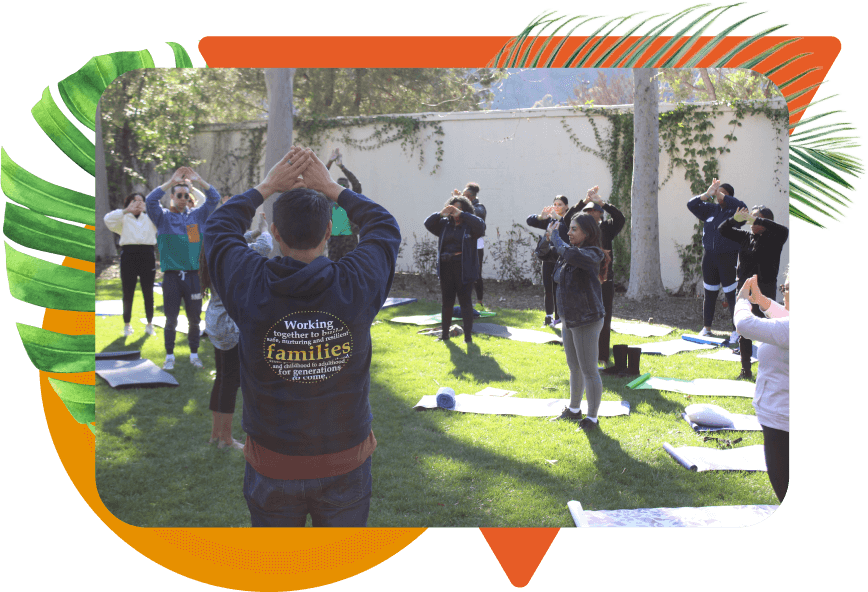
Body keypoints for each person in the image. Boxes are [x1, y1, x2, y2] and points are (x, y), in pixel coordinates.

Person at [202, 146, 400, 527]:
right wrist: (332, 188)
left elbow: (218, 227)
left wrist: (266, 186)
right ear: (328, 232)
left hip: (274, 463)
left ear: (274, 233)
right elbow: (384, 225)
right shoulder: (356, 283)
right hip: (345, 459)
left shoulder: (250, 284)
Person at [200, 213, 273, 451]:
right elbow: (265, 245)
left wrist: (251, 230)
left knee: (222, 378)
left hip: (215, 321)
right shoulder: (235, 254)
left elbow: (240, 238)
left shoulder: (214, 248)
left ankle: (215, 434)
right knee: (231, 381)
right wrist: (263, 226)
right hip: (229, 324)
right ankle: (226, 439)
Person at [146, 167, 220, 370]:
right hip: (171, 278)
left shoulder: (197, 217)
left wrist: (199, 181)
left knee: (195, 320)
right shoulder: (163, 218)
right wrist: (170, 181)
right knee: (170, 319)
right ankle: (169, 356)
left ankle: (194, 354)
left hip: (194, 277)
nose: (182, 198)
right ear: (172, 196)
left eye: (185, 195)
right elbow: (150, 201)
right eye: (178, 195)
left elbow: (215, 198)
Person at [548, 214, 610, 432]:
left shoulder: (592, 253)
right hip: (568, 318)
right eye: (569, 229)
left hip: (586, 319)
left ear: (587, 233)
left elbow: (570, 253)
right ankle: (574, 410)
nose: (569, 232)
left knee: (589, 370)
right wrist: (548, 236)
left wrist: (556, 237)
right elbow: (543, 254)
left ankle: (592, 419)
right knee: (574, 367)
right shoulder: (568, 253)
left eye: (574, 229)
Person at [734, 271, 789, 502]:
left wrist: (742, 301)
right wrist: (763, 302)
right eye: (784, 288)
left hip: (781, 421)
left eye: (786, 289)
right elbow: (784, 318)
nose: (784, 294)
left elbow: (745, 325)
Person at [719, 205, 789, 380]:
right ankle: (746, 370)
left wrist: (755, 219)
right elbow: (723, 229)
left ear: (765, 222)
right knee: (744, 331)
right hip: (744, 290)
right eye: (750, 218)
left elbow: (783, 229)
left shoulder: (776, 238)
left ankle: (773, 368)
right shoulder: (745, 237)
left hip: (765, 291)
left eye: (755, 219)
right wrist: (736, 219)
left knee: (768, 330)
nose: (750, 222)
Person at [686, 178, 748, 340]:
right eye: (717, 192)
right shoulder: (711, 210)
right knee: (710, 293)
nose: (718, 196)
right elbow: (691, 205)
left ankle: (737, 331)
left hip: (727, 257)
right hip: (709, 258)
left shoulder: (735, 212)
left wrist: (723, 196)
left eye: (723, 193)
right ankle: (706, 328)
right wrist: (707, 194)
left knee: (731, 294)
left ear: (729, 196)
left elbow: (744, 208)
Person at [424, 194, 486, 344]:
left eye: (459, 208)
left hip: (464, 268)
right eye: (454, 208)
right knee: (447, 302)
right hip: (447, 267)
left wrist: (463, 214)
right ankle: (445, 335)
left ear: (465, 210)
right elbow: (428, 223)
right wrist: (440, 213)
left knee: (465, 302)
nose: (456, 211)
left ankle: (468, 338)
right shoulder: (445, 224)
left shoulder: (470, 226)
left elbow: (481, 225)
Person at [576, 186, 625, 367]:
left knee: (604, 317)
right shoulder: (579, 229)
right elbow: (567, 219)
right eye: (587, 210)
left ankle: (603, 356)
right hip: (584, 279)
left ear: (600, 213)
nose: (589, 213)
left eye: (593, 210)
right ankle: (587, 355)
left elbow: (620, 218)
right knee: (586, 317)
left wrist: (603, 202)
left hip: (604, 279)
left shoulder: (607, 228)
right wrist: (583, 201)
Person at [103, 192, 157, 337]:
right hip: (129, 255)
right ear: (128, 203)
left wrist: (149, 208)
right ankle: (127, 325)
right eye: (134, 201)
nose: (138, 203)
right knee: (128, 291)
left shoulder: (151, 217)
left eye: (141, 201)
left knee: (148, 291)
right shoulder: (123, 218)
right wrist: (127, 210)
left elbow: (162, 216)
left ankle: (150, 324)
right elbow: (107, 219)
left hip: (147, 254)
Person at [526, 195, 580, 327]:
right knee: (548, 288)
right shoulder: (550, 220)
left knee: (560, 288)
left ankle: (559, 317)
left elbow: (567, 230)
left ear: (566, 206)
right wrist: (540, 217)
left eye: (560, 204)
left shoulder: (570, 220)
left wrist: (559, 219)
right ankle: (549, 316)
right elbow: (529, 220)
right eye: (555, 204)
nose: (556, 207)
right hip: (549, 257)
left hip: (562, 258)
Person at [324, 148, 362, 261]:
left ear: (347, 187)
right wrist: (330, 162)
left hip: (349, 238)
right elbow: (323, 179)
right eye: (339, 185)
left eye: (344, 186)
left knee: (350, 265)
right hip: (334, 239)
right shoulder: (330, 199)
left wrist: (342, 167)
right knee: (334, 266)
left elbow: (356, 183)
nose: (341, 188)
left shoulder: (352, 199)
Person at [457, 182, 487, 310]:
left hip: (476, 245)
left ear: (470, 197)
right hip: (464, 243)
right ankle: (464, 301)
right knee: (462, 272)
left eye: (464, 196)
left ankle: (479, 302)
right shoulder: (463, 207)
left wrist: (461, 204)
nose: (462, 198)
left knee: (476, 274)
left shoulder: (479, 207)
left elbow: (475, 215)